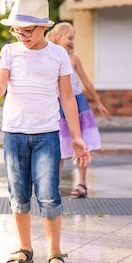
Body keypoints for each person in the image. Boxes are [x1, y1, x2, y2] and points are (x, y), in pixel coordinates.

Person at [0, 0, 91, 263]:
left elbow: (67, 98)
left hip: (47, 136)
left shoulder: (57, 55)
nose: (21, 36)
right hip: (14, 135)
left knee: (50, 196)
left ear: (43, 27)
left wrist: (76, 137)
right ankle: (24, 248)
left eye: (27, 31)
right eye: (17, 30)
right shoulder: (10, 51)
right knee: (18, 195)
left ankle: (55, 253)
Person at [46, 23, 109, 198]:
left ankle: (82, 183)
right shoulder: (50, 57)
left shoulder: (74, 59)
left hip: (78, 105)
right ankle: (53, 186)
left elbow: (86, 82)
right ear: (58, 38)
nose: (73, 42)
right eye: (70, 38)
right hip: (58, 106)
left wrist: (98, 102)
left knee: (81, 145)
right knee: (57, 147)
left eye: (74, 38)